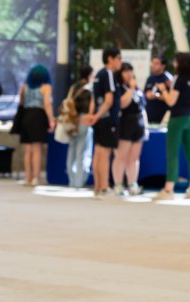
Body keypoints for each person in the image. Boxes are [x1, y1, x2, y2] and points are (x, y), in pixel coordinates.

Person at [152, 53, 190, 201]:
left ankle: (168, 189)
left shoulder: (179, 78)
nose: (174, 63)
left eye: (176, 61)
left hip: (178, 118)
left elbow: (171, 101)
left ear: (182, 63)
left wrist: (163, 90)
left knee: (172, 154)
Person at [85, 48, 124, 198]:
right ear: (110, 58)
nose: (120, 62)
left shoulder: (98, 74)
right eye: (118, 58)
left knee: (98, 152)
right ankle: (103, 187)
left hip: (100, 120)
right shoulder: (108, 74)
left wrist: (93, 115)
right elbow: (108, 101)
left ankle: (98, 187)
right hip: (107, 120)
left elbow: (94, 99)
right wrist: (96, 116)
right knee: (104, 153)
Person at [18, 64, 55, 186]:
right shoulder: (45, 87)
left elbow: (21, 103)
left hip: (26, 115)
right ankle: (36, 177)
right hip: (38, 116)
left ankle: (28, 177)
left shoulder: (24, 87)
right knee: (37, 149)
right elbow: (47, 104)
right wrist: (51, 121)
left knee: (28, 149)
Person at [113, 63, 145, 196]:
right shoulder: (119, 88)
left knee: (134, 157)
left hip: (139, 123)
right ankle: (118, 184)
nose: (129, 74)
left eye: (130, 71)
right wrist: (131, 89)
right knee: (121, 156)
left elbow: (143, 108)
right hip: (125, 122)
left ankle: (133, 184)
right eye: (125, 72)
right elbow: (121, 104)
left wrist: (146, 127)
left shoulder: (137, 89)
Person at [62, 66, 94, 189]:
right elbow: (89, 106)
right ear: (90, 75)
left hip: (71, 120)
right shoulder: (89, 89)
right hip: (83, 120)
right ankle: (79, 181)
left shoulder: (73, 87)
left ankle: (72, 180)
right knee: (82, 150)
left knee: (72, 149)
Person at [144, 55, 173, 125]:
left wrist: (156, 96)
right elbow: (145, 93)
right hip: (149, 116)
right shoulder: (150, 78)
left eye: (156, 63)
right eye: (152, 63)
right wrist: (147, 94)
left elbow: (171, 99)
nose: (153, 65)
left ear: (163, 65)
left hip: (163, 118)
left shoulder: (168, 79)